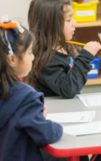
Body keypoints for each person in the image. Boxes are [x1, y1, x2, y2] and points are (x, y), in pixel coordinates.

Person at [0, 19, 62, 161]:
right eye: (29, 53)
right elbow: (46, 134)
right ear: (12, 60)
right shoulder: (26, 97)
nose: (33, 57)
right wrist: (50, 123)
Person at [26, 0, 101, 98]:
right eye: (68, 20)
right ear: (51, 26)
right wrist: (85, 57)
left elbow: (75, 80)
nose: (74, 23)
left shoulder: (64, 47)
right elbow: (68, 89)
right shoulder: (45, 59)